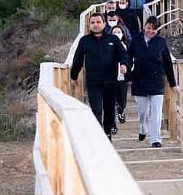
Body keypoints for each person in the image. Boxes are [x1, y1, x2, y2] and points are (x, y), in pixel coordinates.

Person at [70, 12, 128, 140]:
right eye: (93, 22)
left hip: (111, 81)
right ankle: (98, 136)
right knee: (96, 110)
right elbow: (77, 60)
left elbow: (123, 55)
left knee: (109, 110)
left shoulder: (113, 39)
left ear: (104, 24)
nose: (95, 25)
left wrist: (124, 64)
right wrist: (73, 76)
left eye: (98, 22)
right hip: (93, 82)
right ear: (89, 25)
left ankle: (107, 135)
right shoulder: (85, 41)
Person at [128, 16, 177, 148]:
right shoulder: (136, 40)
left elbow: (168, 63)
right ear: (144, 27)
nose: (150, 31)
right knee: (142, 111)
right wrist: (128, 76)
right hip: (139, 79)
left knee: (156, 112)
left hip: (157, 80)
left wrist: (173, 83)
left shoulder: (161, 42)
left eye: (154, 29)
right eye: (148, 28)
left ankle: (155, 139)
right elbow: (127, 58)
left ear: (157, 30)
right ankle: (143, 128)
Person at [110, 25, 130, 127]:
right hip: (110, 77)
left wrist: (129, 75)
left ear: (122, 34)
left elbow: (131, 61)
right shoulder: (107, 45)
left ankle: (121, 111)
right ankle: (112, 125)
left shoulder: (127, 46)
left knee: (122, 100)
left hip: (123, 77)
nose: (116, 34)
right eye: (114, 32)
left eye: (118, 32)